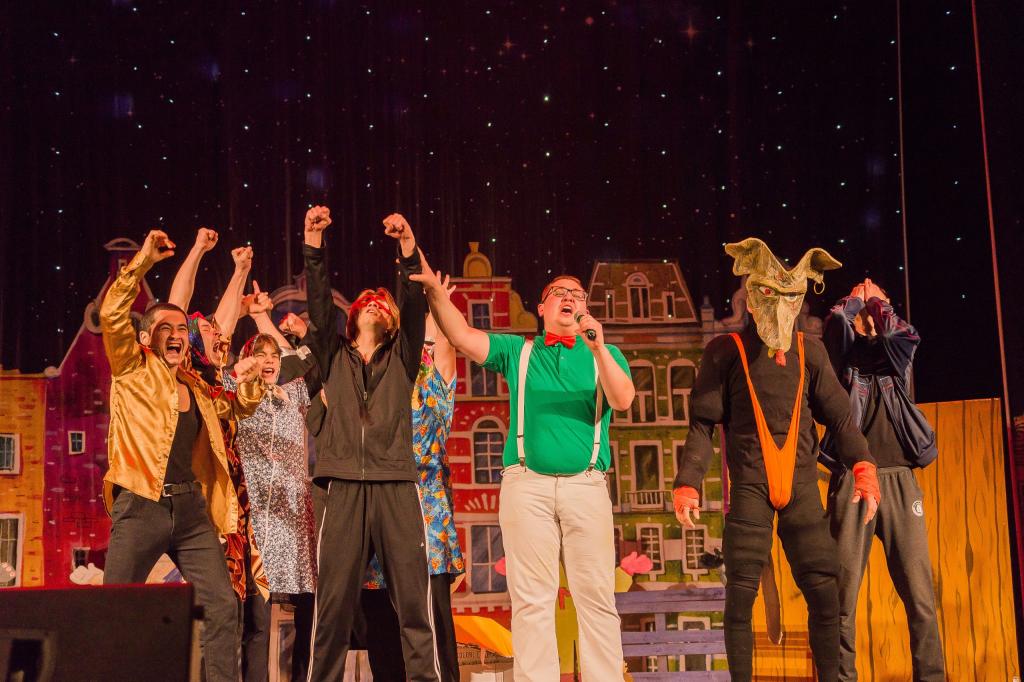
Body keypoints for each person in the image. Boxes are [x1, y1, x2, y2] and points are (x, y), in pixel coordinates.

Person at [410, 253, 636, 682]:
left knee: (596, 597)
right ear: (542, 307)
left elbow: (622, 400)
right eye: (559, 293)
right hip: (527, 485)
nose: (569, 298)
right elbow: (461, 335)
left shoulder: (605, 354)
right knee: (532, 600)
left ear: (585, 308)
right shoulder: (520, 351)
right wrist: (436, 295)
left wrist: (598, 347)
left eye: (577, 294)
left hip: (587, 485)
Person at [672, 238, 881, 682]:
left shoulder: (810, 352)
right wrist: (688, 482)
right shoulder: (725, 351)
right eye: (769, 293)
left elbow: (841, 419)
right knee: (740, 596)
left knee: (825, 592)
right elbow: (702, 425)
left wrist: (863, 467)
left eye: (790, 296)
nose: (780, 305)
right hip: (751, 486)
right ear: (751, 296)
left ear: (800, 299)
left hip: (801, 486)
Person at [100, 229, 265, 682]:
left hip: (191, 510)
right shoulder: (132, 368)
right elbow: (112, 313)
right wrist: (143, 261)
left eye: (180, 330)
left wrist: (253, 379)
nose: (175, 335)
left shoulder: (195, 385)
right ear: (146, 337)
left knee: (222, 605)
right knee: (114, 607)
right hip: (141, 505)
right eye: (165, 329)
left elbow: (234, 407)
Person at [302, 206, 440, 682]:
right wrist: (313, 245)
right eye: (369, 302)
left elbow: (414, 303)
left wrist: (407, 247)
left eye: (385, 303)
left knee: (414, 606)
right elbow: (319, 307)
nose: (377, 305)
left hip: (396, 486)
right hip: (341, 486)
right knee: (333, 608)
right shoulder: (331, 356)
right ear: (354, 316)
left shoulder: (403, 357)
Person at [821, 278, 943, 681]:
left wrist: (876, 303)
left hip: (899, 480)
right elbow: (835, 324)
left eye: (879, 301)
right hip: (852, 480)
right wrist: (854, 302)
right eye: (865, 300)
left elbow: (901, 335)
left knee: (920, 597)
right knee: (842, 597)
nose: (871, 302)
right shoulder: (843, 356)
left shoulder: (897, 355)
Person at [359, 274, 465, 682]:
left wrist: (435, 305)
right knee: (384, 637)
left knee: (432, 635)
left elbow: (442, 346)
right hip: (374, 519)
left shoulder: (425, 368)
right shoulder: (361, 374)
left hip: (424, 517)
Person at [234, 307, 319, 682]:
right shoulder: (236, 396)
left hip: (293, 518)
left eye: (274, 355)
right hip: (256, 522)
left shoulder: (296, 392)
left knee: (308, 611)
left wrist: (283, 326)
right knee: (257, 618)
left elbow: (321, 361)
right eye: (260, 354)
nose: (269, 361)